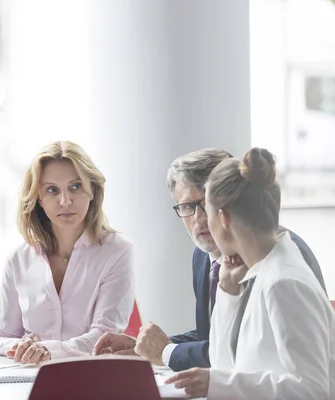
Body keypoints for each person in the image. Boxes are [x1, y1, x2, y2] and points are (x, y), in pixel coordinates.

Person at [93, 148, 325, 371]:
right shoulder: (203, 256)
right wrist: (146, 348)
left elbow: (248, 350)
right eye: (187, 206)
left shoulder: (269, 256)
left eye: (206, 204)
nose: (200, 218)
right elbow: (214, 335)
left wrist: (167, 352)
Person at [165, 147, 335, 399]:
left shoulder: (283, 282)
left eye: (206, 211)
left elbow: (313, 389)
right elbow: (225, 366)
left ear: (222, 217)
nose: (200, 221)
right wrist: (228, 295)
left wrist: (218, 384)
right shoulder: (256, 271)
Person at [0, 141, 136, 364]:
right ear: (39, 198)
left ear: (92, 190)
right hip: (28, 381)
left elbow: (104, 337)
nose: (65, 201)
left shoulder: (117, 251)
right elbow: (1, 338)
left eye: (76, 186)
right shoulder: (18, 260)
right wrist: (19, 346)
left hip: (91, 380)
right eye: (52, 190)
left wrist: (48, 350)